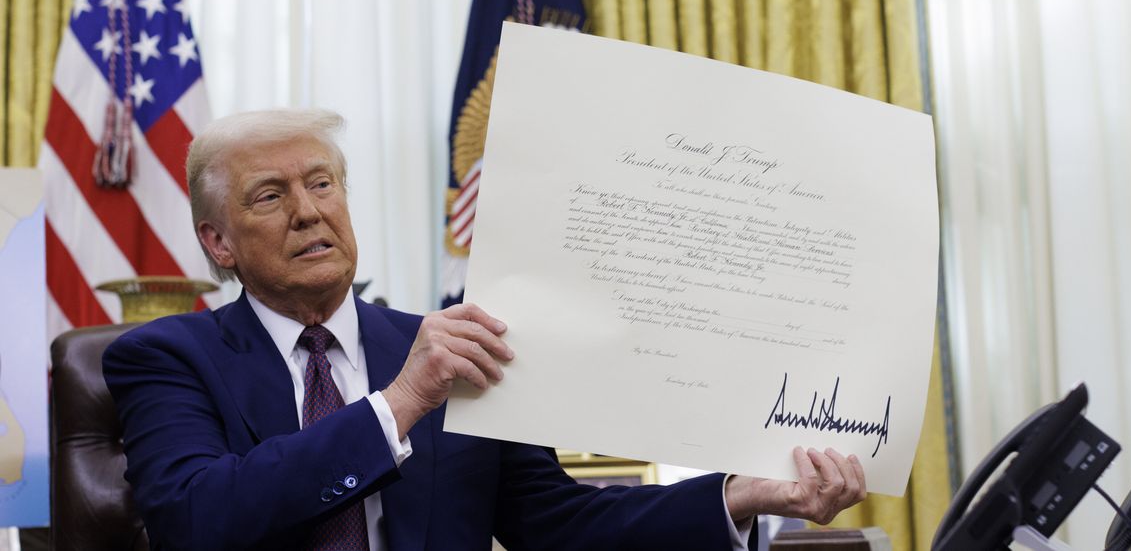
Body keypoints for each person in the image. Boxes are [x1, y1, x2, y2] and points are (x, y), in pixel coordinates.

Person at [103, 109, 867, 550]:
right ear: (218, 242)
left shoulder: (451, 347)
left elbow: (560, 526)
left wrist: (743, 494)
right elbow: (195, 517)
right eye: (270, 195)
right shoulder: (166, 356)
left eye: (322, 183)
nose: (309, 211)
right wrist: (401, 401)